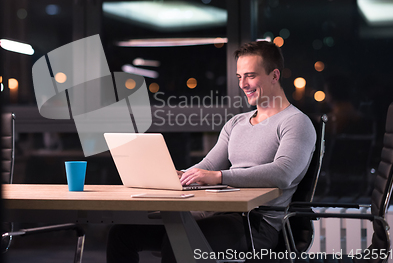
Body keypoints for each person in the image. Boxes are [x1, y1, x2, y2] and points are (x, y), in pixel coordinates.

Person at [106, 41, 316, 263]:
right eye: (239, 77)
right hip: (217, 214)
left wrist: (220, 177)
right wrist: (180, 175)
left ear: (274, 75)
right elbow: (208, 166)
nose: (243, 84)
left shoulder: (296, 122)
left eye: (250, 76)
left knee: (180, 242)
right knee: (122, 234)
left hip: (256, 224)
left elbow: (283, 174)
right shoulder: (236, 123)